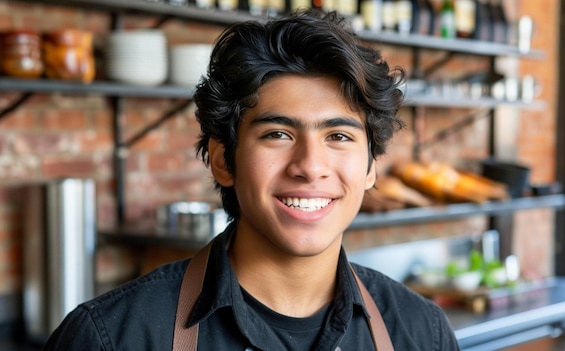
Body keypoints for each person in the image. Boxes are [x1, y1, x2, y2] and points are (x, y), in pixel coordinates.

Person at [43, 10, 461, 351]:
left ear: (371, 167)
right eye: (278, 134)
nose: (310, 166)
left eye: (338, 136)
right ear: (223, 159)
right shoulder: (111, 338)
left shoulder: (421, 331)